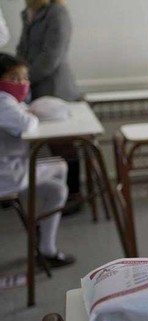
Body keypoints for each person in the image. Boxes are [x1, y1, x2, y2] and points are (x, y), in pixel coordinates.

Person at [0, 53, 75, 268]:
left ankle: (42, 224)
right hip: (8, 176)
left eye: (24, 78)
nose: (22, 83)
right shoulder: (3, 102)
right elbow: (26, 123)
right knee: (58, 189)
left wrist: (28, 112)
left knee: (59, 169)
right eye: (14, 78)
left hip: (11, 169)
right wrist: (32, 116)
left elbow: (22, 113)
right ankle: (47, 247)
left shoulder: (8, 101)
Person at [16, 0, 82, 213]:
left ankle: (73, 194)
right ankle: (56, 192)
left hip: (56, 89)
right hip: (33, 88)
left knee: (62, 145)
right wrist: (16, 76)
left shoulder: (57, 13)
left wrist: (22, 80)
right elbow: (22, 51)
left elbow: (51, 57)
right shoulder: (28, 13)